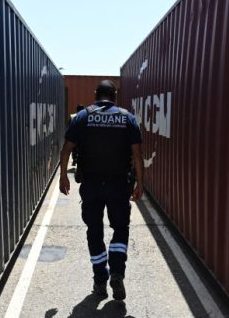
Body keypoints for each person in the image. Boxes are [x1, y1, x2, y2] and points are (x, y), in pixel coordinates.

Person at [59, 80, 144, 301]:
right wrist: (140, 184)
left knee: (94, 231)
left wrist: (62, 178)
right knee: (120, 229)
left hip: (91, 185)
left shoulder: (82, 117)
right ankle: (117, 272)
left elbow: (66, 149)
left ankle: (100, 279)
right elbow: (136, 156)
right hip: (118, 185)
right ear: (115, 96)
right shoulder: (127, 118)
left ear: (96, 94)